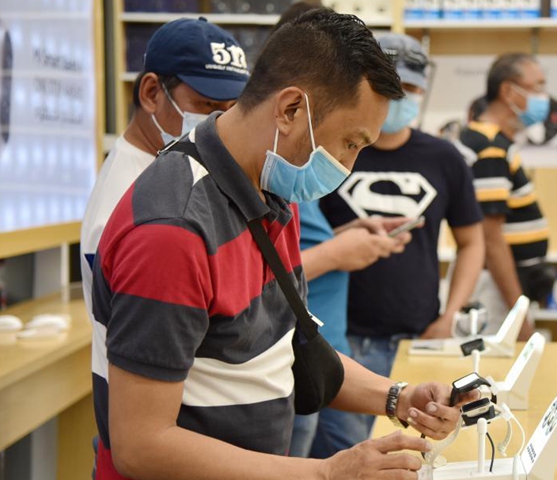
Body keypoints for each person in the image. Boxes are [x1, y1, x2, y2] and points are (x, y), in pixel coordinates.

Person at [91, 10, 474, 480]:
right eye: (349, 143)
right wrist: (324, 472)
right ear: (291, 110)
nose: (348, 166)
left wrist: (398, 397)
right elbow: (141, 445)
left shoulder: (270, 193)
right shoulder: (173, 230)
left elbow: (287, 345)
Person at [80, 19, 249, 477]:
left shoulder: (171, 169)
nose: (220, 122)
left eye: (233, 107)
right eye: (207, 105)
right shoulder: (144, 200)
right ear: (152, 93)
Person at [317, 33, 485, 454]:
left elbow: (472, 242)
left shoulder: (444, 158)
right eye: (390, 86)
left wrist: (450, 314)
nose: (400, 97)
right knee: (346, 455)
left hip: (422, 336)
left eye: (410, 88)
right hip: (344, 340)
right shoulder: (332, 152)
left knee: (420, 451)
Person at [276, 2, 415, 459]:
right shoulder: (272, 170)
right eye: (349, 142)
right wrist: (338, 253)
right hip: (288, 364)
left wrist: (351, 231)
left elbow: (296, 245)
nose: (346, 163)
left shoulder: (292, 170)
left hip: (320, 356)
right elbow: (260, 278)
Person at [460, 53, 557, 337]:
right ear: (507, 91)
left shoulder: (493, 141)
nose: (543, 96)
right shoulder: (490, 147)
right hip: (496, 289)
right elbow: (491, 239)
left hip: (503, 286)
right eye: (537, 87)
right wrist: (520, 315)